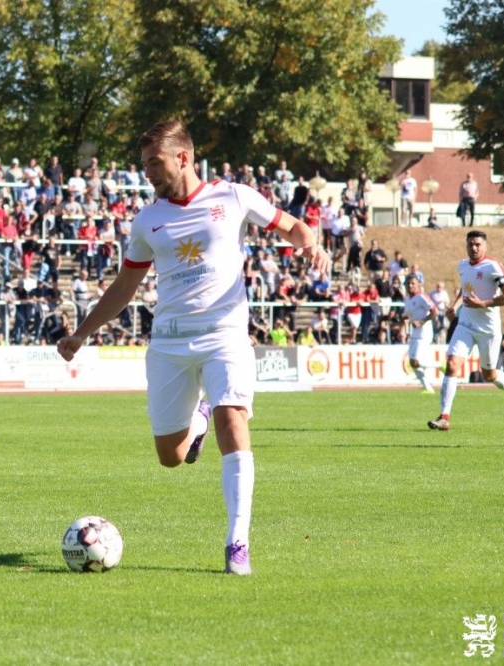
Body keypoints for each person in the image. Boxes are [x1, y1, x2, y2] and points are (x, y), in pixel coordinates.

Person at [56, 120, 329, 575]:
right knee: (171, 456)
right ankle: (198, 420)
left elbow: (292, 226)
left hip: (226, 334)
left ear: (183, 157)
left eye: (154, 163)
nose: (147, 173)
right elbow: (124, 286)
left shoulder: (234, 196)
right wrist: (82, 333)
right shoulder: (147, 220)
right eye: (145, 165)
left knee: (233, 418)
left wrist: (311, 244)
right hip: (169, 344)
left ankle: (237, 542)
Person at [428, 230, 504, 430]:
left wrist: (483, 303)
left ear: (485, 246)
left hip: (488, 330)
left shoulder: (493, 267)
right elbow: (465, 290)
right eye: (470, 244)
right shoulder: (462, 266)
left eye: (478, 244)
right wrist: (454, 307)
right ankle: (444, 417)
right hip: (465, 325)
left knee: (489, 375)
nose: (474, 248)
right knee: (452, 364)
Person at [401, 276, 438, 393]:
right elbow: (406, 316)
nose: (410, 285)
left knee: (417, 361)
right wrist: (403, 327)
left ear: (418, 285)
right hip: (414, 333)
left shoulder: (422, 297)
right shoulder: (407, 299)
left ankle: (440, 365)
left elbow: (435, 312)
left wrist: (421, 321)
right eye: (408, 284)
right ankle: (428, 389)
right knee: (413, 362)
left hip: (424, 333)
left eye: (413, 283)